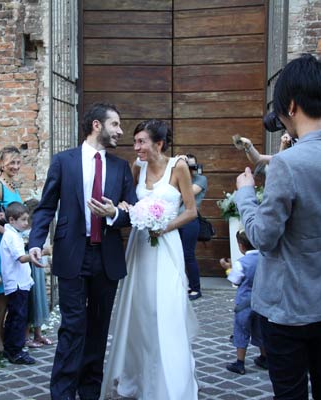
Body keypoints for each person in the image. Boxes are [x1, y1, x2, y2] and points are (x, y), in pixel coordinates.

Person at [234, 54, 321, 399]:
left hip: (288, 302)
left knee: (290, 392)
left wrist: (245, 195)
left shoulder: (288, 164)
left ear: (291, 106)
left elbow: (263, 237)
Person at [29, 103, 136, 400]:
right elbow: (46, 206)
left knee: (98, 329)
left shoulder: (121, 167)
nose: (120, 131)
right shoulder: (64, 161)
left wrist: (115, 213)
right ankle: (62, 393)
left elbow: (133, 211)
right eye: (115, 124)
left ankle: (89, 392)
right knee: (73, 326)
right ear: (96, 125)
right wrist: (36, 241)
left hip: (107, 256)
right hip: (72, 253)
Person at [100, 119, 198, 400]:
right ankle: (139, 379)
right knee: (141, 312)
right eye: (135, 142)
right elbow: (128, 203)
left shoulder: (178, 166)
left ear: (159, 144)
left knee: (165, 311)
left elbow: (190, 211)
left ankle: (171, 384)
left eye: (141, 142)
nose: (136, 147)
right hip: (140, 247)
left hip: (166, 245)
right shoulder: (137, 167)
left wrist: (163, 226)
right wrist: (125, 208)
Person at [0, 145, 23, 354]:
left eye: (18, 162)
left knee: (10, 290)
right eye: (11, 163)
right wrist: (9, 234)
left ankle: (5, 332)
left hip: (13, 246)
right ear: (1, 164)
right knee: (1, 291)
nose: (15, 166)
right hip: (1, 247)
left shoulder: (13, 185)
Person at [220, 230, 266, 375]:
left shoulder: (241, 263)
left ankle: (240, 363)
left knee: (241, 330)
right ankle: (265, 357)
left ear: (241, 246)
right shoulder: (265, 259)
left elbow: (235, 280)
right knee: (261, 330)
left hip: (244, 304)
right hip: (261, 302)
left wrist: (228, 269)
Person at [0, 202, 35, 364]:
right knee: (18, 317)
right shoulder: (12, 236)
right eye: (23, 220)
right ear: (12, 220)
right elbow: (21, 258)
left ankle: (11, 348)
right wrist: (41, 253)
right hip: (17, 283)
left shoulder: (14, 234)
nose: (26, 223)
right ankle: (15, 351)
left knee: (16, 316)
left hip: (20, 282)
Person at [24, 197, 53, 348]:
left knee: (39, 299)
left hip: (38, 269)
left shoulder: (39, 230)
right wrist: (44, 251)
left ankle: (38, 334)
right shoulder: (23, 232)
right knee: (30, 300)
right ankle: (26, 336)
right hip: (28, 268)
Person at [178, 154, 207, 301]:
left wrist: (184, 174)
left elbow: (188, 192)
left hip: (190, 221)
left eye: (191, 165)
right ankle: (181, 285)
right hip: (175, 220)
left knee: (188, 255)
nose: (189, 168)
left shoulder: (201, 179)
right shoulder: (177, 178)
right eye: (186, 165)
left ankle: (195, 288)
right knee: (175, 254)